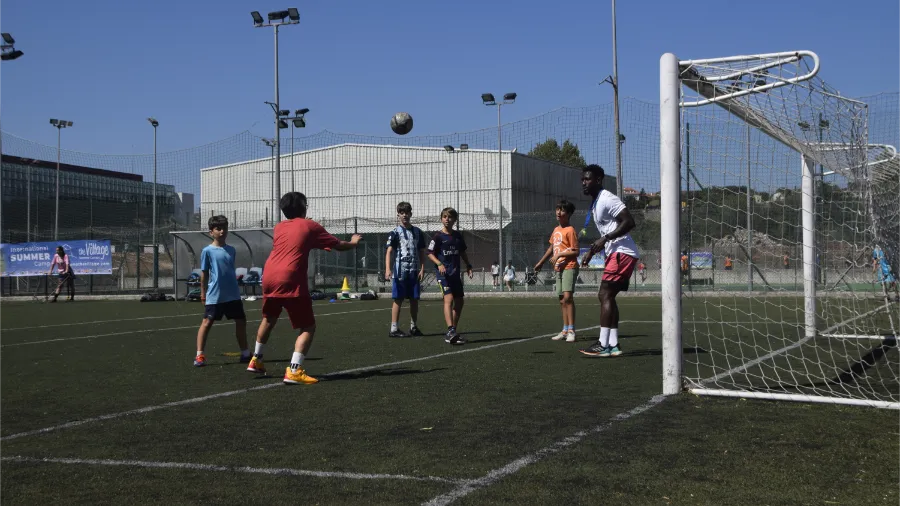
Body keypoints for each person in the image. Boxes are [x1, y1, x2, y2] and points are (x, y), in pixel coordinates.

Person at [246, 192, 362, 384]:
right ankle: (294, 370)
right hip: (289, 278)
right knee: (308, 327)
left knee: (269, 319)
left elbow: (299, 238)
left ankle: (256, 360)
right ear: (304, 207)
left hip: (269, 276)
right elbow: (339, 245)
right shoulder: (311, 226)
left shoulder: (279, 227)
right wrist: (354, 242)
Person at [578, 164, 638, 358]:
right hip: (616, 252)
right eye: (582, 179)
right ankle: (613, 344)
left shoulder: (607, 198)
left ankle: (603, 344)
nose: (584, 182)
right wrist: (591, 252)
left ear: (598, 180)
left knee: (604, 294)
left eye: (587, 179)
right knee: (608, 296)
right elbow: (607, 232)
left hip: (623, 252)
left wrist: (605, 239)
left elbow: (629, 222)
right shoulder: (596, 203)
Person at [194, 215, 249, 367]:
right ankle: (199, 355)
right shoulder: (207, 251)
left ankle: (245, 353)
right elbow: (204, 273)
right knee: (207, 322)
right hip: (215, 294)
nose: (222, 231)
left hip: (232, 294)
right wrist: (203, 292)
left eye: (224, 228)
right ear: (211, 232)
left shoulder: (231, 250)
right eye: (218, 229)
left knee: (241, 321)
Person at [534, 199, 579, 343]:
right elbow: (551, 248)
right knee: (561, 300)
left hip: (569, 266)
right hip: (558, 268)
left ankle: (571, 330)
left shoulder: (570, 230)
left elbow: (576, 251)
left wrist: (560, 255)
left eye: (562, 210)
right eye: (557, 209)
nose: (558, 212)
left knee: (568, 298)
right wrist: (541, 262)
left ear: (569, 214)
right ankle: (565, 329)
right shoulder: (556, 230)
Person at [427, 207, 474, 345]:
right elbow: (430, 253)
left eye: (450, 217)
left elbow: (462, 252)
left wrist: (468, 266)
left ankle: (452, 331)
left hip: (455, 274)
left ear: (455, 219)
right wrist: (439, 264)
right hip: (443, 275)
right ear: (441, 219)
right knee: (449, 298)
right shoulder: (438, 237)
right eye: (445, 216)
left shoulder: (458, 236)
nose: (447, 219)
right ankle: (450, 330)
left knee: (460, 301)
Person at [384, 201, 427, 338]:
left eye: (407, 213)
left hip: (413, 271)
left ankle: (413, 327)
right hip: (400, 272)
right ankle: (394, 328)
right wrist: (387, 269)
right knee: (398, 299)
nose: (405, 215)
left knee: (414, 299)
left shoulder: (417, 232)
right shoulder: (395, 232)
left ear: (411, 214)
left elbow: (421, 251)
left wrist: (422, 268)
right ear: (398, 215)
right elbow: (389, 251)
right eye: (402, 213)